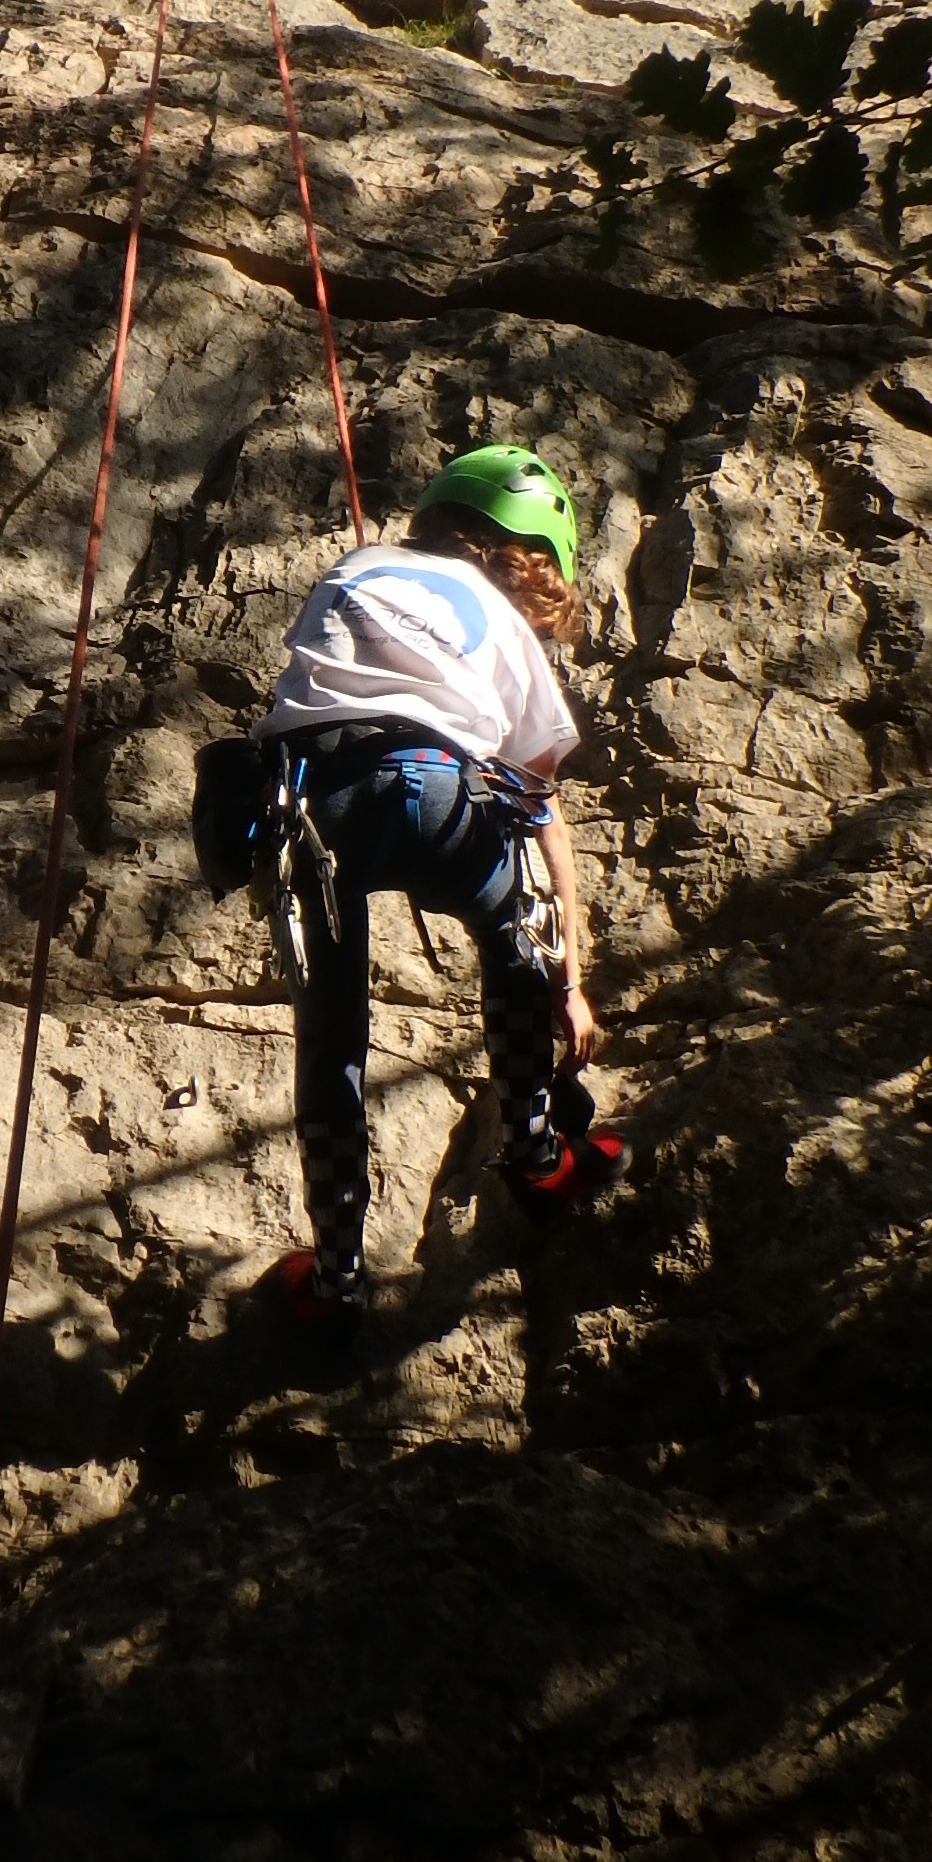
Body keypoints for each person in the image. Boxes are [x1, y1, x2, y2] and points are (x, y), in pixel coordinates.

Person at [255, 443, 629, 1326]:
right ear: (529, 559)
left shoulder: (354, 567)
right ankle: (538, 1159)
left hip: (312, 801)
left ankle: (337, 1277)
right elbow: (540, 811)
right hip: (439, 794)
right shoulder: (504, 626)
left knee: (332, 1039)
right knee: (512, 938)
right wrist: (567, 981)